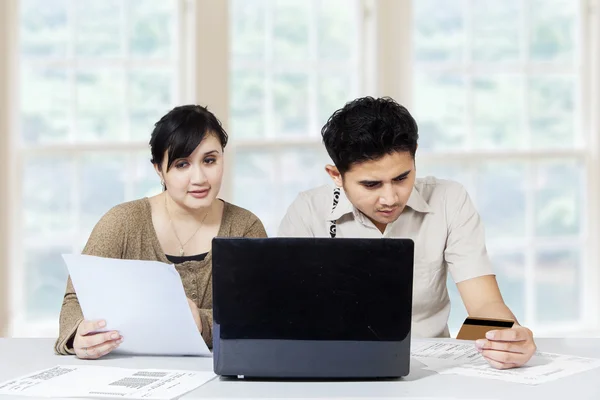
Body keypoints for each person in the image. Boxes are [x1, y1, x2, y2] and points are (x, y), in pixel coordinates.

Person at [278, 96, 536, 370]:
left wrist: (505, 338)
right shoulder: (307, 210)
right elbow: (286, 315)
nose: (390, 198)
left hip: (432, 370)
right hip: (333, 365)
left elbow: (485, 304)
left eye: (402, 178)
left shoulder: (449, 198)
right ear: (335, 175)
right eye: (371, 184)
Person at [55, 105, 267, 359]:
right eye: (182, 164)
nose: (199, 177)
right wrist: (79, 334)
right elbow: (74, 299)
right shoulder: (121, 223)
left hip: (221, 378)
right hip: (127, 374)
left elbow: (261, 315)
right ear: (159, 169)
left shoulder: (245, 227)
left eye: (209, 160)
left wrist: (201, 322)